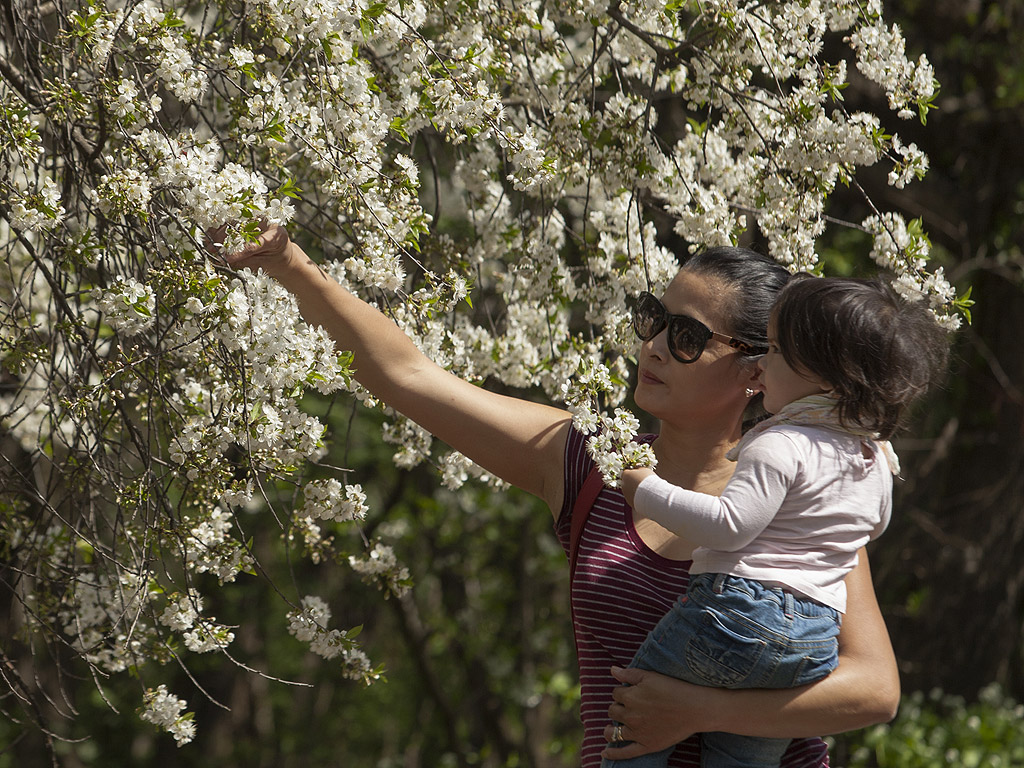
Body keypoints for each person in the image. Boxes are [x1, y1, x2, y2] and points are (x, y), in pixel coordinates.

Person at [214, 226, 903, 767]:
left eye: (687, 337)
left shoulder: (806, 500)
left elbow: (872, 690)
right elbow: (408, 376)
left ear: (757, 369)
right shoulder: (588, 459)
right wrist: (289, 264)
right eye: (652, 318)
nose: (655, 345)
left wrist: (698, 711)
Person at [604, 276, 949, 768]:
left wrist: (645, 488)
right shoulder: (874, 459)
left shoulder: (778, 442)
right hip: (812, 645)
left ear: (830, 376)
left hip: (735, 614)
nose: (761, 364)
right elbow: (872, 527)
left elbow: (728, 526)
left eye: (779, 353)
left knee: (635, 717)